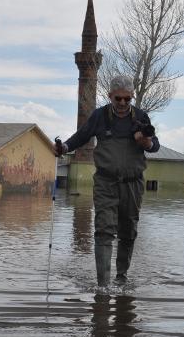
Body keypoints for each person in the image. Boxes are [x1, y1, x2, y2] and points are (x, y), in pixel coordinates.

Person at [55, 75, 160, 287]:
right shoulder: (99, 116)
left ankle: (121, 278)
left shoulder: (141, 117)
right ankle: (103, 286)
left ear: (132, 97)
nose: (122, 103)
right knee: (103, 230)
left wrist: (145, 142)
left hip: (133, 183)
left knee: (128, 231)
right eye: (117, 99)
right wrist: (64, 147)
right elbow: (82, 136)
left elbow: (155, 145)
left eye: (126, 99)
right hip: (105, 182)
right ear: (110, 96)